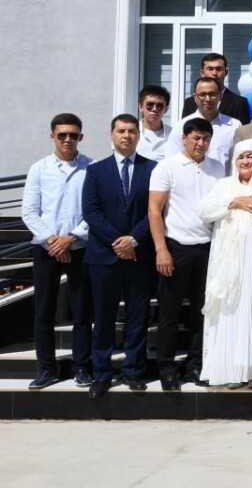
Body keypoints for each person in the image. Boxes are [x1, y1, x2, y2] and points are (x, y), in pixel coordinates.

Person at [82, 115, 155, 397]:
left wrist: (134, 239)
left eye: (132, 131)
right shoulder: (95, 171)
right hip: (104, 256)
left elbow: (156, 211)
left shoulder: (152, 169)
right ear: (111, 135)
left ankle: (134, 371)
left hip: (139, 256)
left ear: (138, 135)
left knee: (138, 316)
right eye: (121, 131)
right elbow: (91, 211)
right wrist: (118, 241)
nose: (127, 135)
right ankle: (101, 373)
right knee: (103, 317)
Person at [150, 117, 225, 390]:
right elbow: (154, 210)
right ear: (184, 138)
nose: (201, 143)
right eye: (196, 138)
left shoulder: (217, 168)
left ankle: (195, 366)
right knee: (169, 314)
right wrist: (161, 249)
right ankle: (167, 369)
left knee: (202, 313)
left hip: (208, 248)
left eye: (206, 139)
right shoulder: (167, 167)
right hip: (176, 247)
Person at [196, 139, 252, 388]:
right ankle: (232, 370)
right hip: (228, 264)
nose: (245, 161)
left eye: (250, 156)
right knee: (229, 311)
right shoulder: (225, 185)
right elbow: (204, 212)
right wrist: (233, 203)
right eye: (240, 157)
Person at [21, 113, 94, 390]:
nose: (67, 139)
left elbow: (94, 210)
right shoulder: (39, 169)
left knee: (82, 311)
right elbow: (29, 211)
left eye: (73, 135)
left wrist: (71, 238)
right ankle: (47, 369)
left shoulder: (92, 168)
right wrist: (53, 241)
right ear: (52, 136)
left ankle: (82, 367)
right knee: (44, 311)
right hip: (45, 249)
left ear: (80, 137)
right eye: (62, 135)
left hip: (80, 247)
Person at [168, 76, 242, 168]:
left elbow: (241, 158)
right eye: (202, 95)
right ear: (195, 97)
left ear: (220, 96)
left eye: (212, 94)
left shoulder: (235, 125)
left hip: (224, 177)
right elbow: (172, 161)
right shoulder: (180, 127)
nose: (208, 99)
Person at [181, 52, 252, 125]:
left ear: (226, 72)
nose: (214, 73)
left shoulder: (239, 103)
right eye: (210, 69)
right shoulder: (190, 103)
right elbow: (185, 128)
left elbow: (244, 131)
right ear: (202, 73)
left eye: (219, 69)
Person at [136, 85, 173, 162]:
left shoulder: (174, 135)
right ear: (140, 107)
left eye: (159, 106)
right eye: (150, 105)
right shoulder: (130, 133)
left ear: (166, 109)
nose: (154, 109)